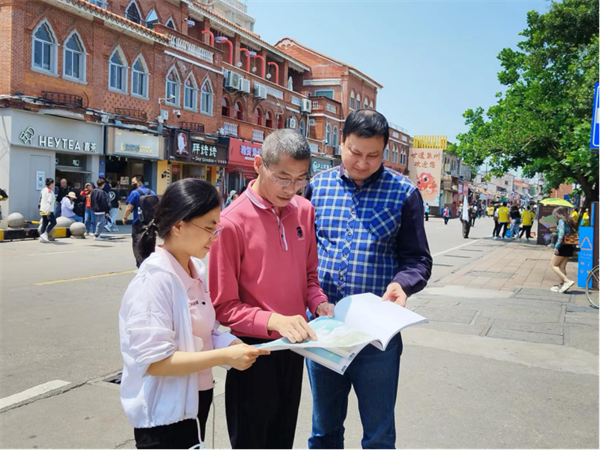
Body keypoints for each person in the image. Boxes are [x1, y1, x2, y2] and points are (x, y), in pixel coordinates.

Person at [306, 110, 432, 450]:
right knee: (323, 429)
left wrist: (402, 284)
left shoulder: (404, 193)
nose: (362, 162)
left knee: (378, 434)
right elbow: (300, 253)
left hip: (376, 336)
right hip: (324, 329)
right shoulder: (316, 187)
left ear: (385, 151)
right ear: (341, 143)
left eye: (373, 155)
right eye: (354, 152)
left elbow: (418, 259)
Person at [119, 179, 269, 450]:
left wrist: (231, 343)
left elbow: (206, 331)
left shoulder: (195, 270)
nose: (216, 236)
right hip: (165, 415)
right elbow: (155, 362)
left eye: (217, 226)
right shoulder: (154, 281)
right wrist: (224, 356)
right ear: (178, 226)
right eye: (210, 228)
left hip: (196, 401)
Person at [209, 129, 329, 450]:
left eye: (300, 179)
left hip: (294, 347)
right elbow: (224, 306)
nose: (291, 189)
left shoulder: (304, 210)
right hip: (252, 353)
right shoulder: (231, 222)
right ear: (259, 165)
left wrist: (318, 303)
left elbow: (309, 275)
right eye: (283, 178)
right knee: (251, 441)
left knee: (282, 438)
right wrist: (273, 321)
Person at [122, 175, 157, 267]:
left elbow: (129, 207)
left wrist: (125, 217)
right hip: (150, 222)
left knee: (137, 244)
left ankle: (140, 264)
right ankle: (149, 262)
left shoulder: (135, 193)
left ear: (139, 182)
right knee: (149, 243)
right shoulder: (152, 192)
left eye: (134, 182)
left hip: (138, 222)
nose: (132, 184)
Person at [550, 207, 577, 293]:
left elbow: (561, 235)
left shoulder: (561, 221)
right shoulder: (569, 221)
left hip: (563, 246)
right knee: (562, 266)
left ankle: (567, 281)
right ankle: (562, 286)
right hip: (569, 245)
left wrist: (556, 247)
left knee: (553, 265)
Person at [39, 178, 57, 243]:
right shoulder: (49, 191)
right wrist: (48, 210)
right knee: (54, 222)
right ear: (51, 183)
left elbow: (40, 199)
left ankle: (41, 236)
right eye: (53, 183)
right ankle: (45, 234)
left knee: (45, 223)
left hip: (42, 209)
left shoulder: (43, 190)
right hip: (48, 210)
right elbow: (49, 201)